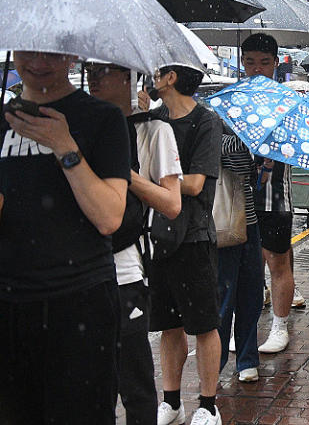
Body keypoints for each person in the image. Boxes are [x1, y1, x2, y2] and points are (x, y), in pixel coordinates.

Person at [0, 51, 129, 424]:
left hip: (81, 304)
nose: (39, 61)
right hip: (9, 304)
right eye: (30, 48)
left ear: (72, 53)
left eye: (52, 51)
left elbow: (109, 217)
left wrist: (65, 146)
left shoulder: (102, 119)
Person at [88, 62, 184, 424]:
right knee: (93, 383)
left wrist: (124, 174)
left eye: (106, 70)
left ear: (130, 77)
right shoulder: (80, 125)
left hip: (127, 269)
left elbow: (172, 204)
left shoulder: (153, 130)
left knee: (135, 383)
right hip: (82, 270)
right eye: (90, 69)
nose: (95, 76)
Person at [150, 65, 224, 425]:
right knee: (168, 324)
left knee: (203, 324)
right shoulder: (151, 119)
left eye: (160, 71)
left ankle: (209, 404)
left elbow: (195, 184)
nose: (154, 75)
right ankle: (171, 401)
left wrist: (155, 180)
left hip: (193, 236)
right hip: (158, 235)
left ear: (172, 78)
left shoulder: (206, 122)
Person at [239, 34, 296, 355]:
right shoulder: (233, 98)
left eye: (263, 62)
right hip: (237, 195)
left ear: (276, 63)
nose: (256, 69)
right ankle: (244, 327)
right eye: (250, 62)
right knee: (243, 266)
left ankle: (279, 326)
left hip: (275, 195)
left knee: (276, 261)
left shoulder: (287, 100)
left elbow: (295, 145)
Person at [217, 130, 262, 382]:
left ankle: (247, 358)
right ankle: (217, 360)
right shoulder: (213, 128)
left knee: (251, 292)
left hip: (248, 223)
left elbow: (251, 176)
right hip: (224, 223)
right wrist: (252, 144)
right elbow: (238, 162)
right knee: (224, 297)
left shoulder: (244, 136)